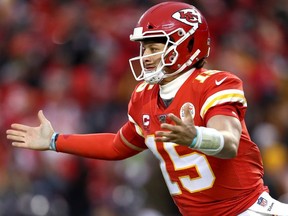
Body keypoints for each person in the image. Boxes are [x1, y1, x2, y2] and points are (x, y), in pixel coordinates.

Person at [6, 1, 288, 216]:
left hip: (249, 210)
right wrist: (56, 141)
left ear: (188, 43)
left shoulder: (214, 83)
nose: (147, 57)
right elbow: (118, 146)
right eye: (144, 49)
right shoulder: (144, 96)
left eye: (155, 47)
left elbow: (229, 142)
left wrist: (195, 137)